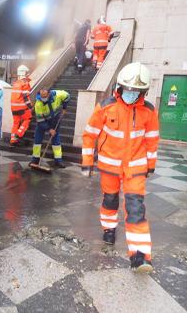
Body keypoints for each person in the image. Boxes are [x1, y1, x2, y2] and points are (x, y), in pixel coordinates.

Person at [81, 62, 159, 273]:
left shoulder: (149, 111)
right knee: (110, 200)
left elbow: (152, 140)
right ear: (119, 86)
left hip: (135, 168)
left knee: (136, 209)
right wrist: (87, 162)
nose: (131, 93)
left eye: (136, 91)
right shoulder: (105, 107)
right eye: (128, 89)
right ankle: (109, 228)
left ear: (144, 92)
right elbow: (89, 135)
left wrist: (150, 164)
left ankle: (140, 256)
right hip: (109, 167)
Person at [32, 88, 70, 168]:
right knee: (37, 140)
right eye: (42, 96)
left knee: (55, 139)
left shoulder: (58, 94)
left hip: (55, 119)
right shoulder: (38, 103)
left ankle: (58, 161)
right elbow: (40, 120)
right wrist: (49, 129)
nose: (43, 98)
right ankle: (35, 159)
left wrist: (64, 108)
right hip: (43, 121)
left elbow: (67, 96)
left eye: (45, 96)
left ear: (49, 94)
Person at [10, 65, 32, 146]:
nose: (28, 74)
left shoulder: (16, 83)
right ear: (24, 73)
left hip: (13, 108)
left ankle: (12, 139)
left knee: (16, 123)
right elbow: (25, 96)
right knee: (27, 119)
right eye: (27, 72)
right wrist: (30, 106)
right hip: (22, 107)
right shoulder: (25, 83)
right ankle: (19, 134)